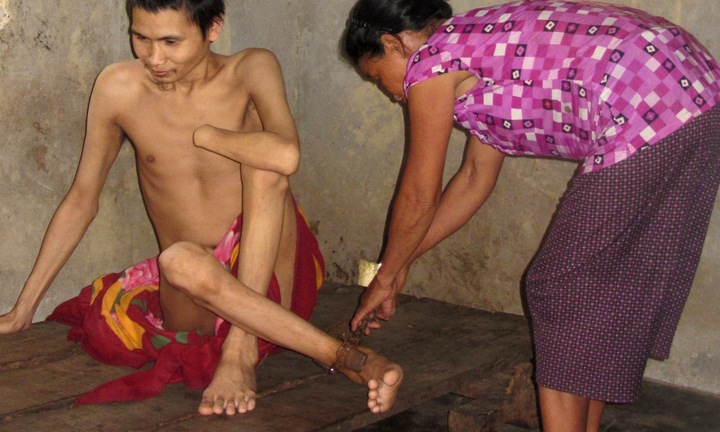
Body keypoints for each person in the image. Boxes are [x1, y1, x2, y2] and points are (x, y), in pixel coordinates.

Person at [0, 0, 402, 416]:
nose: (155, 58)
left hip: (269, 273)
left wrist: (207, 135)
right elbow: (82, 199)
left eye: (171, 42)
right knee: (177, 260)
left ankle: (239, 350)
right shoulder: (117, 88)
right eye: (141, 38)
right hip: (191, 288)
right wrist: (23, 309)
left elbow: (287, 156)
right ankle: (345, 357)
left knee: (265, 169)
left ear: (213, 28)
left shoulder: (251, 69)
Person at [342, 0, 720, 430]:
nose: (391, 94)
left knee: (556, 288)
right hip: (695, 89)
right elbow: (473, 179)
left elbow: (417, 198)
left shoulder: (430, 63)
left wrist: (384, 278)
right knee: (605, 291)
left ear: (394, 44)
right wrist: (399, 265)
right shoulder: (477, 48)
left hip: (648, 100)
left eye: (377, 77)